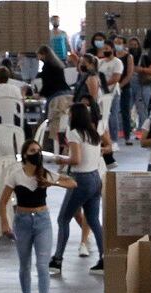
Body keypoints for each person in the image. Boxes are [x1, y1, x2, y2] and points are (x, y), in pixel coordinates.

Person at [0, 140, 75, 293]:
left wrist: (53, 183)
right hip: (22, 220)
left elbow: (72, 183)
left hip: (42, 221)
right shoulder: (16, 175)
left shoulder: (45, 174)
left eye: (39, 151)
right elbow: (3, 201)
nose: (37, 154)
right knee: (24, 263)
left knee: (42, 264)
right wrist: (5, 223)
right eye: (33, 151)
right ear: (25, 155)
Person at [49, 102, 110, 274]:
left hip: (80, 180)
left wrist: (60, 159)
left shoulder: (74, 133)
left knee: (63, 219)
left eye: (70, 115)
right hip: (95, 177)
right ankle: (104, 258)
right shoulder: (93, 133)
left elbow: (76, 159)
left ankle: (57, 260)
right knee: (93, 220)